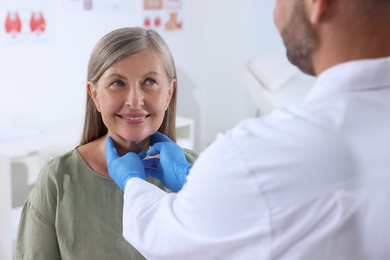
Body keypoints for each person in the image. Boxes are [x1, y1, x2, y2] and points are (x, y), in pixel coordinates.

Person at [106, 0, 390, 259]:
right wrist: (195, 182)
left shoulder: (252, 157)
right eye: (117, 83)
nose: (275, 13)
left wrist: (133, 183)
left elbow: (165, 239)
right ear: (93, 94)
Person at [15, 27, 198, 259]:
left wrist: (194, 186)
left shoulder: (197, 173)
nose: (134, 101)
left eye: (150, 81)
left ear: (169, 93)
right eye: (118, 83)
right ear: (95, 95)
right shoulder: (57, 181)